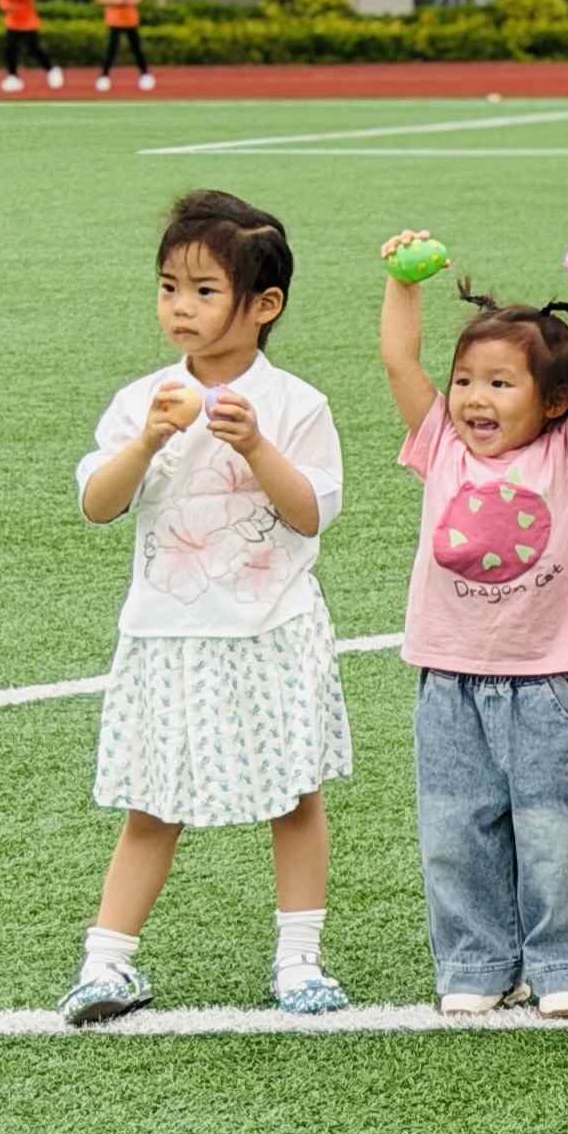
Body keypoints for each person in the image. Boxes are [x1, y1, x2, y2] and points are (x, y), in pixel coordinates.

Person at [61, 193, 350, 1023]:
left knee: (295, 797)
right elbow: (98, 504)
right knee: (154, 803)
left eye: (203, 290)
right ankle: (107, 963)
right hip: (168, 633)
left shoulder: (295, 404)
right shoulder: (142, 400)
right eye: (168, 288)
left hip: (272, 628)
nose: (179, 307)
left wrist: (255, 443)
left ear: (265, 306)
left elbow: (310, 512)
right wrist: (147, 441)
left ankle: (299, 961)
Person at [377, 232, 568, 1018]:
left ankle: (565, 963)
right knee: (456, 831)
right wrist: (403, 285)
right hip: (449, 680)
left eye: (498, 383)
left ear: (553, 402)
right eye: (465, 380)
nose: (473, 398)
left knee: (557, 831)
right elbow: (398, 362)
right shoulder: (441, 445)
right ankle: (476, 962)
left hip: (550, 684)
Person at [0, 0, 54, 92]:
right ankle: (12, 76)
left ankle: (51, 70)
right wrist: (6, 3)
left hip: (29, 24)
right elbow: (2, 2)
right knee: (10, 49)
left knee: (35, 49)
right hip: (13, 24)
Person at [92, 0, 152, 93]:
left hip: (131, 21)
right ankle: (104, 76)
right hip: (115, 21)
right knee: (111, 50)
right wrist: (115, 0)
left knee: (137, 49)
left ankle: (145, 74)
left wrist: (130, 1)